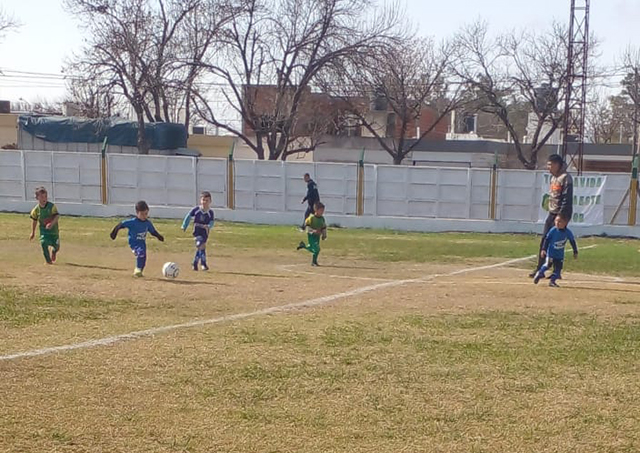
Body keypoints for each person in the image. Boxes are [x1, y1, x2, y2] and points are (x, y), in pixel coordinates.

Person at [530, 154, 573, 277]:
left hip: (561, 214)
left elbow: (567, 197)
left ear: (557, 164)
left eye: (550, 164)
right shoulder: (553, 178)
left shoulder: (566, 178)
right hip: (552, 213)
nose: (548, 167)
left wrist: (561, 216)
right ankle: (540, 268)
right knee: (546, 239)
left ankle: (556, 271)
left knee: (557, 242)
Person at [110, 200, 164, 277]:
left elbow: (153, 231)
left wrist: (159, 236)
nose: (144, 216)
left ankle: (139, 271)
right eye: (142, 214)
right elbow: (121, 224)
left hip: (142, 243)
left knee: (143, 258)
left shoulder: (147, 223)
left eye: (146, 213)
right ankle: (137, 270)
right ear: (137, 213)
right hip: (134, 243)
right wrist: (114, 233)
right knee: (140, 253)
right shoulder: (133, 222)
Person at [533, 214, 578, 287]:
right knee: (547, 265)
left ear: (565, 223)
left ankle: (552, 281)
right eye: (556, 221)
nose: (557, 223)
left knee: (558, 269)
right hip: (551, 253)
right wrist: (544, 249)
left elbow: (572, 241)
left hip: (559, 255)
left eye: (560, 221)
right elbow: (547, 240)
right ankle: (540, 273)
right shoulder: (553, 230)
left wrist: (575, 251)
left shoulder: (568, 232)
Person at [182, 191, 215, 271]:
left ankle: (195, 263)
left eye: (207, 200)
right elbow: (188, 216)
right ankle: (203, 264)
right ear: (200, 200)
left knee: (200, 248)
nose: (204, 202)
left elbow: (212, 222)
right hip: (197, 231)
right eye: (203, 200)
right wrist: (184, 225)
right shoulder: (196, 210)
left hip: (205, 232)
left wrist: (209, 226)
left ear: (210, 201)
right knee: (201, 245)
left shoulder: (210, 212)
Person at [29, 187, 60, 265]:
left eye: (45, 196)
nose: (44, 199)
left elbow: (57, 216)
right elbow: (34, 221)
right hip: (44, 232)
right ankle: (48, 261)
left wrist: (51, 224)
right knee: (43, 243)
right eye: (42, 197)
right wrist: (33, 232)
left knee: (57, 247)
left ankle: (54, 251)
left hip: (54, 232)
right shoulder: (36, 210)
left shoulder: (52, 207)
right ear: (37, 198)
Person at [297, 202, 327, 266]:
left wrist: (324, 235)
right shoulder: (311, 218)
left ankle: (303, 246)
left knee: (312, 247)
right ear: (316, 210)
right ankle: (314, 262)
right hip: (311, 235)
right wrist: (313, 231)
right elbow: (307, 226)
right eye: (321, 210)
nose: (322, 212)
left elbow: (323, 227)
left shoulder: (322, 218)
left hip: (317, 236)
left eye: (323, 210)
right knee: (317, 248)